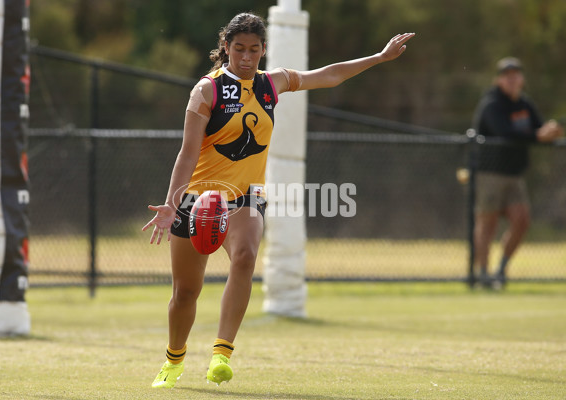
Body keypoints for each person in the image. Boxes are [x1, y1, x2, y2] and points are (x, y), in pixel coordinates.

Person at [142, 12, 415, 389]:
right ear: (226, 48)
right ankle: (174, 358)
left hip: (245, 197)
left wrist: (379, 58)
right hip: (197, 199)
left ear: (263, 50)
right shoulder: (207, 90)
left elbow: (330, 74)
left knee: (246, 256)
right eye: (239, 49)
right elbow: (188, 153)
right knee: (185, 292)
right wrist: (172, 204)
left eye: (254, 50)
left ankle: (222, 353)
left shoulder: (274, 83)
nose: (246, 57)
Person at [471, 57, 563, 288]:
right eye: (507, 76)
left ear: (522, 79)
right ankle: (482, 274)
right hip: (490, 173)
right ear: (498, 79)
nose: (512, 80)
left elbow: (538, 129)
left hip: (514, 174)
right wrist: (538, 135)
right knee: (487, 223)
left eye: (516, 75)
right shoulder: (492, 103)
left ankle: (500, 270)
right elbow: (505, 132)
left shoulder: (524, 103)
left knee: (522, 220)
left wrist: (552, 132)